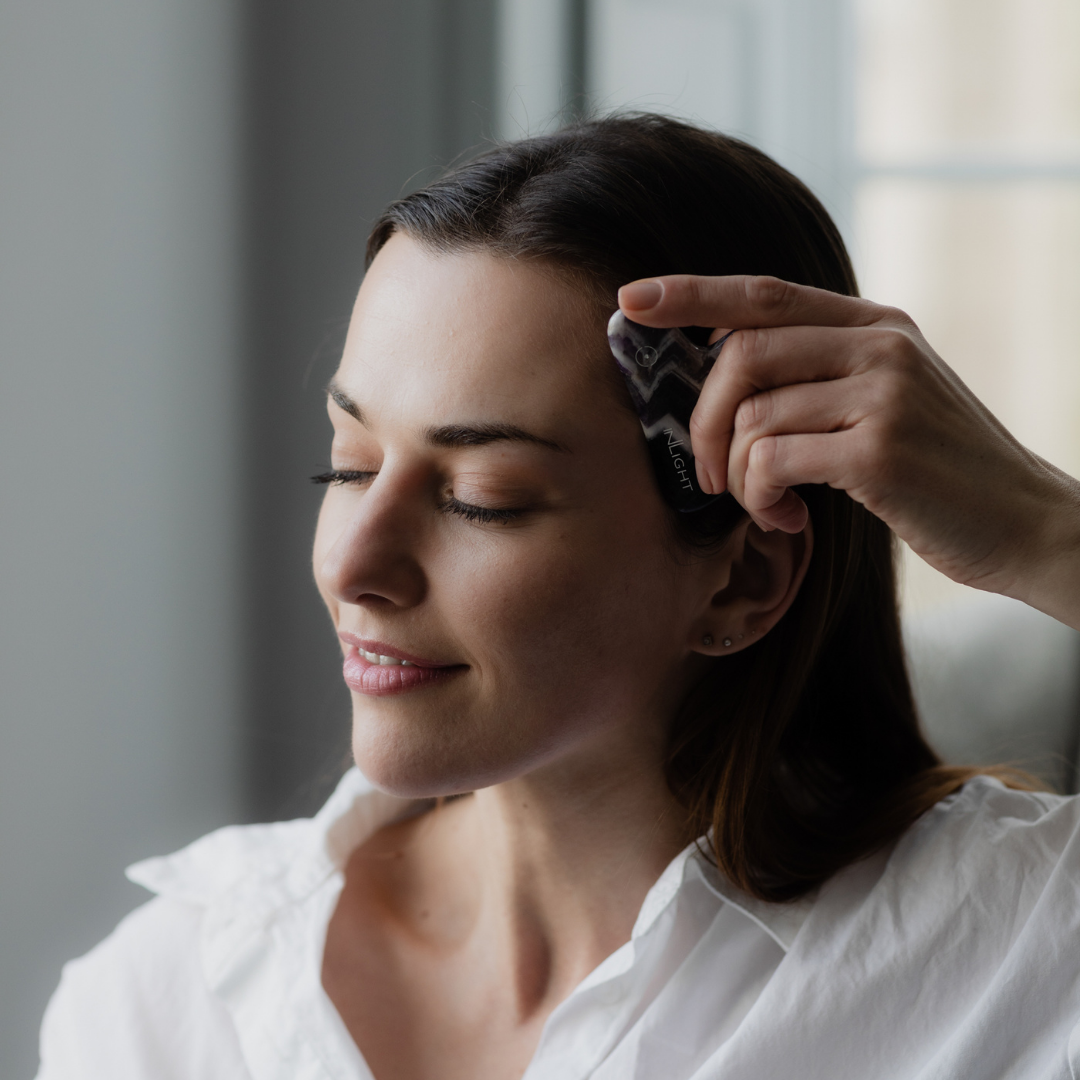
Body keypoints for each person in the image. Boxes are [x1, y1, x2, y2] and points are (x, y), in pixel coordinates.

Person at [36, 114, 1080, 1080]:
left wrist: (1046, 528)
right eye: (347, 466)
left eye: (481, 497)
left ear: (746, 576)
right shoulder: (170, 1001)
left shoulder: (1015, 955)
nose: (355, 564)